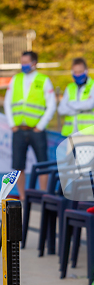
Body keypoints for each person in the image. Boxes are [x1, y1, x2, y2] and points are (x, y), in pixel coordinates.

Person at [4, 51, 56, 200]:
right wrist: (13, 124)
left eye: (26, 62)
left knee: (43, 164)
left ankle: (43, 196)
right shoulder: (16, 79)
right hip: (19, 129)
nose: (23, 65)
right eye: (22, 62)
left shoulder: (43, 80)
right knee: (18, 166)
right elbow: (8, 102)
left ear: (34, 63)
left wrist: (40, 125)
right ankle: (22, 197)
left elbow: (51, 105)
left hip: (36, 130)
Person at [58, 57, 94, 138]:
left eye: (80, 72)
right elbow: (61, 110)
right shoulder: (69, 87)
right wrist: (82, 107)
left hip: (91, 135)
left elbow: (89, 105)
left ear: (86, 70)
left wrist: (70, 104)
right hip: (71, 135)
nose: (77, 75)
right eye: (75, 72)